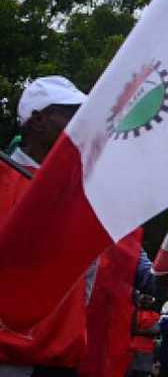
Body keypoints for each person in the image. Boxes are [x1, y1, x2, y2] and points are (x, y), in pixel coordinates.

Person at [0, 76, 88, 376]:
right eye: (69, 115)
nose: (79, 126)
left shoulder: (81, 191)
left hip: (62, 356)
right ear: (37, 121)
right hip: (11, 355)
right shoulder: (4, 178)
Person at [128, 293, 161, 377]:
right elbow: (130, 330)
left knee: (142, 374)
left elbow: (155, 331)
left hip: (146, 352)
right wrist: (145, 331)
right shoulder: (133, 312)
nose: (147, 301)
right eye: (145, 299)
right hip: (131, 350)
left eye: (149, 299)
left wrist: (137, 331)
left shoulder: (155, 315)